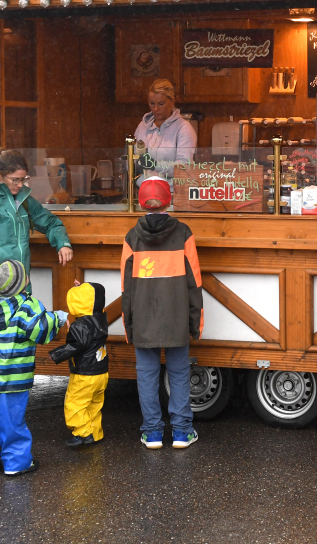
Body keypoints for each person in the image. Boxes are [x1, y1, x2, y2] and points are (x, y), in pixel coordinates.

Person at [121, 176, 203, 449]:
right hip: (177, 317)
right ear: (169, 199)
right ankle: (182, 432)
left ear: (142, 202)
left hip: (143, 319)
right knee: (179, 374)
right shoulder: (184, 233)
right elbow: (194, 283)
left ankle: (152, 432)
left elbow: (127, 287)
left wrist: (128, 326)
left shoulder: (132, 237)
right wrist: (196, 323)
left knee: (146, 375)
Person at [0, 259, 66, 475]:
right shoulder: (27, 306)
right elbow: (41, 331)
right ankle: (16, 463)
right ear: (25, 282)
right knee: (11, 421)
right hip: (12, 379)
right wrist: (58, 318)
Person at [0, 150, 74, 312]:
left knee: (22, 337)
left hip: (21, 292)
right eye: (15, 180)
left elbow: (51, 222)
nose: (20, 185)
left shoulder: (24, 201)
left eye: (23, 179)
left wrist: (62, 243)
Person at [49, 281, 109, 447]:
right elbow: (95, 298)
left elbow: (74, 346)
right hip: (102, 372)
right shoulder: (101, 317)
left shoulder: (79, 325)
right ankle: (96, 433)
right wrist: (85, 287)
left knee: (74, 404)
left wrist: (55, 355)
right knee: (94, 405)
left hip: (85, 374)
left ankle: (83, 433)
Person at [134, 78, 196, 180]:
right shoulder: (143, 126)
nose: (156, 109)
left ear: (172, 101)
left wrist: (154, 165)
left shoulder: (184, 128)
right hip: (145, 190)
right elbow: (133, 159)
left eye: (161, 104)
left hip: (172, 192)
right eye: (152, 103)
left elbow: (184, 168)